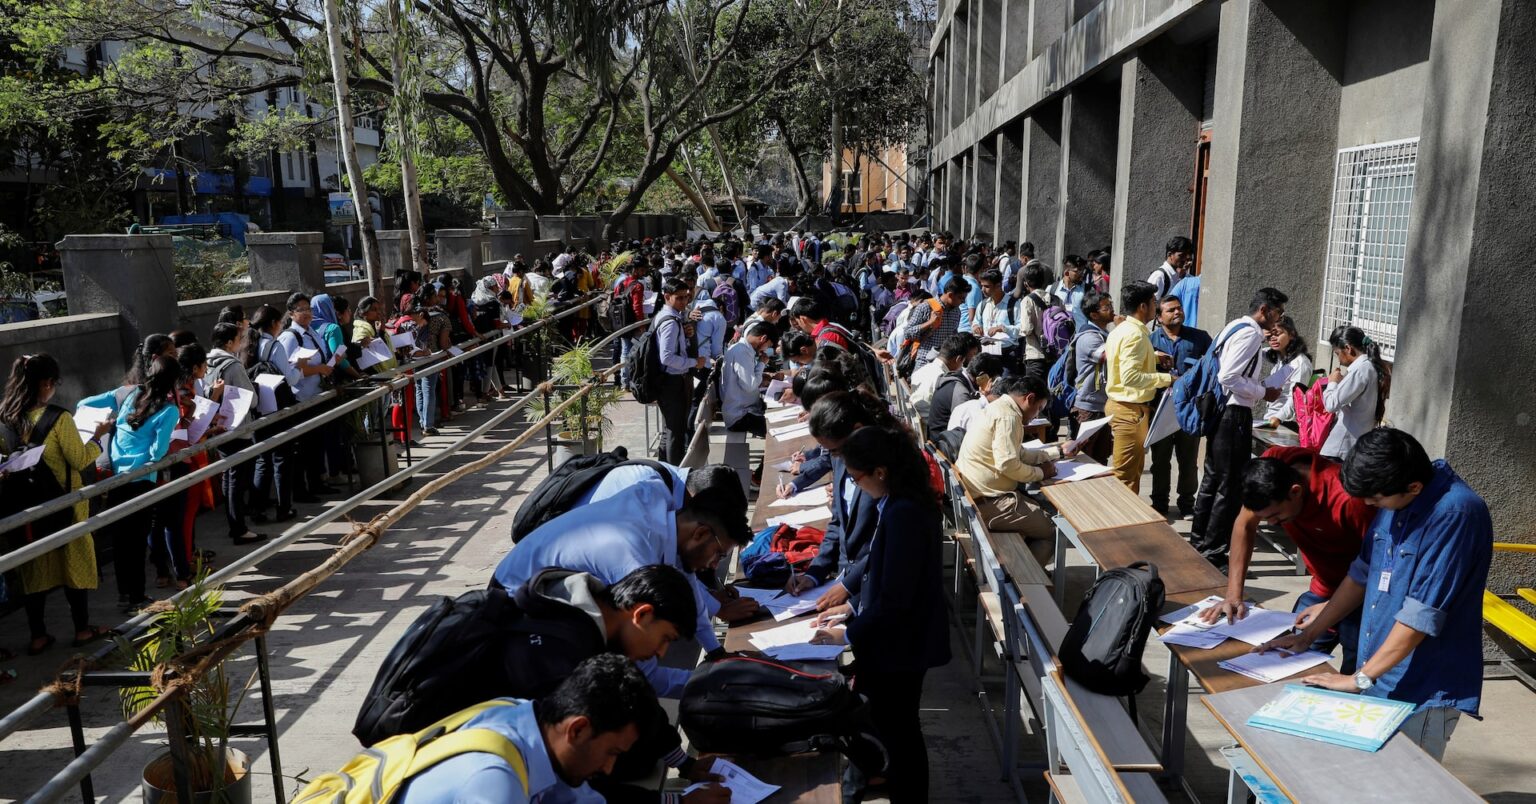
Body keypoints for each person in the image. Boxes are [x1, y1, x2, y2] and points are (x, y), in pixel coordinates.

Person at [1255, 429, 1491, 761]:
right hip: (1380, 671)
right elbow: (1362, 573)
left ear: (1413, 487)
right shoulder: (1395, 493)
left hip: (1420, 685)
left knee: (1405, 778)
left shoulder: (1455, 514)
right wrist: (1308, 635)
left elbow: (1421, 614)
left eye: (1376, 500)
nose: (1369, 506)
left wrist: (1359, 679)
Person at [490, 473, 752, 694]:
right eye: (719, 554)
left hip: (544, 590)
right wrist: (719, 685)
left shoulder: (661, 506)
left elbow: (687, 577)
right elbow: (642, 674)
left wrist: (716, 653)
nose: (714, 565)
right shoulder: (633, 558)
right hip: (515, 608)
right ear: (701, 533)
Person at [811, 426, 951, 804]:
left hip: (902, 644)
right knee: (894, 727)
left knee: (900, 731)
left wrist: (848, 634)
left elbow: (896, 597)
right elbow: (883, 569)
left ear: (881, 472)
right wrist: (850, 606)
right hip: (897, 636)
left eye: (857, 478)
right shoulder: (898, 502)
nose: (856, 486)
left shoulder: (905, 513)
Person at [391, 655, 680, 804]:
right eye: (611, 752)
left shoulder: (526, 720)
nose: (608, 768)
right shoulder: (495, 781)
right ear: (577, 729)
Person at [1200, 448, 1372, 672]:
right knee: (1287, 661)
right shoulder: (1272, 465)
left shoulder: (1349, 499)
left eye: (1275, 515)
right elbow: (1245, 524)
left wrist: (1329, 609)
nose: (1271, 524)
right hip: (1323, 587)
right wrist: (1233, 595)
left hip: (1365, 595)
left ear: (1295, 491)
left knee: (1356, 672)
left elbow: (1373, 568)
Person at [0, 354, 113, 654]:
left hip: (26, 511)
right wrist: (98, 437)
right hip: (64, 504)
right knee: (75, 565)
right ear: (46, 383)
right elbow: (79, 459)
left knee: (34, 569)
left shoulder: (5, 418)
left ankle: (38, 636)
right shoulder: (59, 418)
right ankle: (82, 630)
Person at [1188, 288, 1289, 565]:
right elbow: (1228, 376)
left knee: (1213, 480)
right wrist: (1263, 392)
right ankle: (1213, 552)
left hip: (1223, 412)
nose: (1279, 320)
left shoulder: (1235, 325)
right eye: (1278, 313)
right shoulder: (1249, 334)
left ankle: (1199, 543)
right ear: (1265, 310)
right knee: (1229, 486)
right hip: (1233, 415)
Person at [784, 391, 899, 613]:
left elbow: (886, 548)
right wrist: (814, 573)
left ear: (856, 430)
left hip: (874, 591)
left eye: (835, 450)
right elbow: (838, 522)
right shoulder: (840, 457)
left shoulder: (885, 471)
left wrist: (849, 592)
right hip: (845, 583)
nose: (834, 457)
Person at [89, 355, 182, 612]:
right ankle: (137, 596)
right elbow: (157, 452)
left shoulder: (131, 396)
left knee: (121, 540)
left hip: (117, 478)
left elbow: (84, 403)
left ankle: (124, 594)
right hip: (142, 479)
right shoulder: (169, 410)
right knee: (137, 541)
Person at [955, 375, 1079, 566]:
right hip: (989, 503)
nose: (1037, 415)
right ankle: (1026, 578)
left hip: (977, 496)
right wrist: (1041, 473)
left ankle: (1022, 570)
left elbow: (1018, 453)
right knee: (1051, 531)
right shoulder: (1009, 417)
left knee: (1037, 512)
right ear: (1029, 398)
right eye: (1038, 408)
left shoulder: (999, 407)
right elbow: (1008, 464)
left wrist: (1057, 452)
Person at [1102, 281, 1173, 493]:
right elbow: (1130, 377)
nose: (1156, 306)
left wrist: (1154, 357)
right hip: (1128, 410)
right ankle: (1120, 515)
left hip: (1127, 408)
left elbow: (1122, 361)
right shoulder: (1134, 334)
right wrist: (1168, 379)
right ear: (1143, 306)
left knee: (1132, 473)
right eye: (1153, 302)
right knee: (1125, 477)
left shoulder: (1124, 329)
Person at [1147, 296, 1212, 517]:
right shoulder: (1149, 341)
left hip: (1190, 410)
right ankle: (1159, 503)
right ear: (1159, 317)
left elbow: (1213, 365)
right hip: (1160, 409)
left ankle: (1187, 504)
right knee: (1160, 460)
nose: (1177, 312)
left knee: (1188, 460)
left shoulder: (1200, 338)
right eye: (1171, 310)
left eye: (1179, 308)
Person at [1321, 325, 1387, 461]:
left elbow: (1331, 405)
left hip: (1341, 447)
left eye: (1337, 353)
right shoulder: (1370, 367)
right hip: (1354, 445)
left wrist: (1332, 382)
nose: (1338, 359)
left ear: (1348, 348)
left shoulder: (1361, 370)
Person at [652, 278, 698, 464]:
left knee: (670, 430)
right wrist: (694, 362)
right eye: (679, 298)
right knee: (675, 432)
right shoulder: (670, 322)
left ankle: (664, 467)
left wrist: (685, 336)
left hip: (671, 381)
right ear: (667, 297)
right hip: (672, 382)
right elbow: (667, 358)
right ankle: (674, 472)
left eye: (686, 297)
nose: (684, 302)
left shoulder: (673, 318)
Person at [1065, 290, 1114, 463]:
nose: (1112, 309)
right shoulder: (1088, 337)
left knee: (1100, 458)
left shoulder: (1104, 335)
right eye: (1106, 307)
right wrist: (1124, 330)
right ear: (1094, 314)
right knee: (1082, 457)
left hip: (1102, 405)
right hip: (1087, 407)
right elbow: (1109, 356)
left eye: (1111, 305)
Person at [927, 352, 1002, 437]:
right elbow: (970, 426)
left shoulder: (956, 377)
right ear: (982, 376)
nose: (992, 385)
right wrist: (986, 399)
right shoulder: (961, 393)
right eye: (992, 381)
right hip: (944, 441)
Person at [901, 276, 967, 370]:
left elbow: (953, 334)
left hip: (945, 365)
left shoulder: (956, 311)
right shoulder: (925, 307)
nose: (963, 302)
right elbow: (908, 333)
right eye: (961, 298)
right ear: (950, 295)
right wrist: (929, 323)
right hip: (925, 362)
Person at [1259, 315, 1312, 427]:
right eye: (1270, 335)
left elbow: (1296, 398)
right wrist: (1260, 336)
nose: (1273, 338)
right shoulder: (1279, 357)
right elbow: (1253, 350)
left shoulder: (1300, 363)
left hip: (1285, 423)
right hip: (1270, 418)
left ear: (1291, 334)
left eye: (1277, 334)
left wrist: (1278, 418)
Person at [909, 332, 979, 417]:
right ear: (958, 359)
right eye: (962, 361)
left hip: (918, 417)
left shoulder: (920, 371)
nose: (962, 366)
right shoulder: (944, 380)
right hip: (930, 421)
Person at [1015, 261, 1057, 383]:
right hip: (1054, 354)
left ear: (1026, 283)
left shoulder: (1027, 301)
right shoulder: (1056, 299)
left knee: (1035, 390)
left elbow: (1026, 329)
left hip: (1035, 354)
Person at [971, 269, 1019, 365]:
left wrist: (1003, 328)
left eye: (987, 286)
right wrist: (976, 327)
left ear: (998, 285)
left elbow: (1021, 329)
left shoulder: (1014, 304)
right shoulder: (983, 304)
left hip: (1006, 356)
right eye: (982, 286)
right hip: (985, 355)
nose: (983, 290)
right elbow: (975, 322)